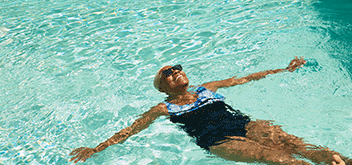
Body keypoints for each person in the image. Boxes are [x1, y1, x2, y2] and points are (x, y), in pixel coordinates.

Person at [69, 57, 349, 165]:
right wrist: (96, 149)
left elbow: (246, 77)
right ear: (162, 87)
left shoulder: (207, 88)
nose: (176, 71)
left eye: (178, 67)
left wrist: (283, 69)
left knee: (302, 147)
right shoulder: (162, 107)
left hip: (245, 125)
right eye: (168, 72)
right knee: (281, 160)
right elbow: (130, 131)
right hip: (219, 141)